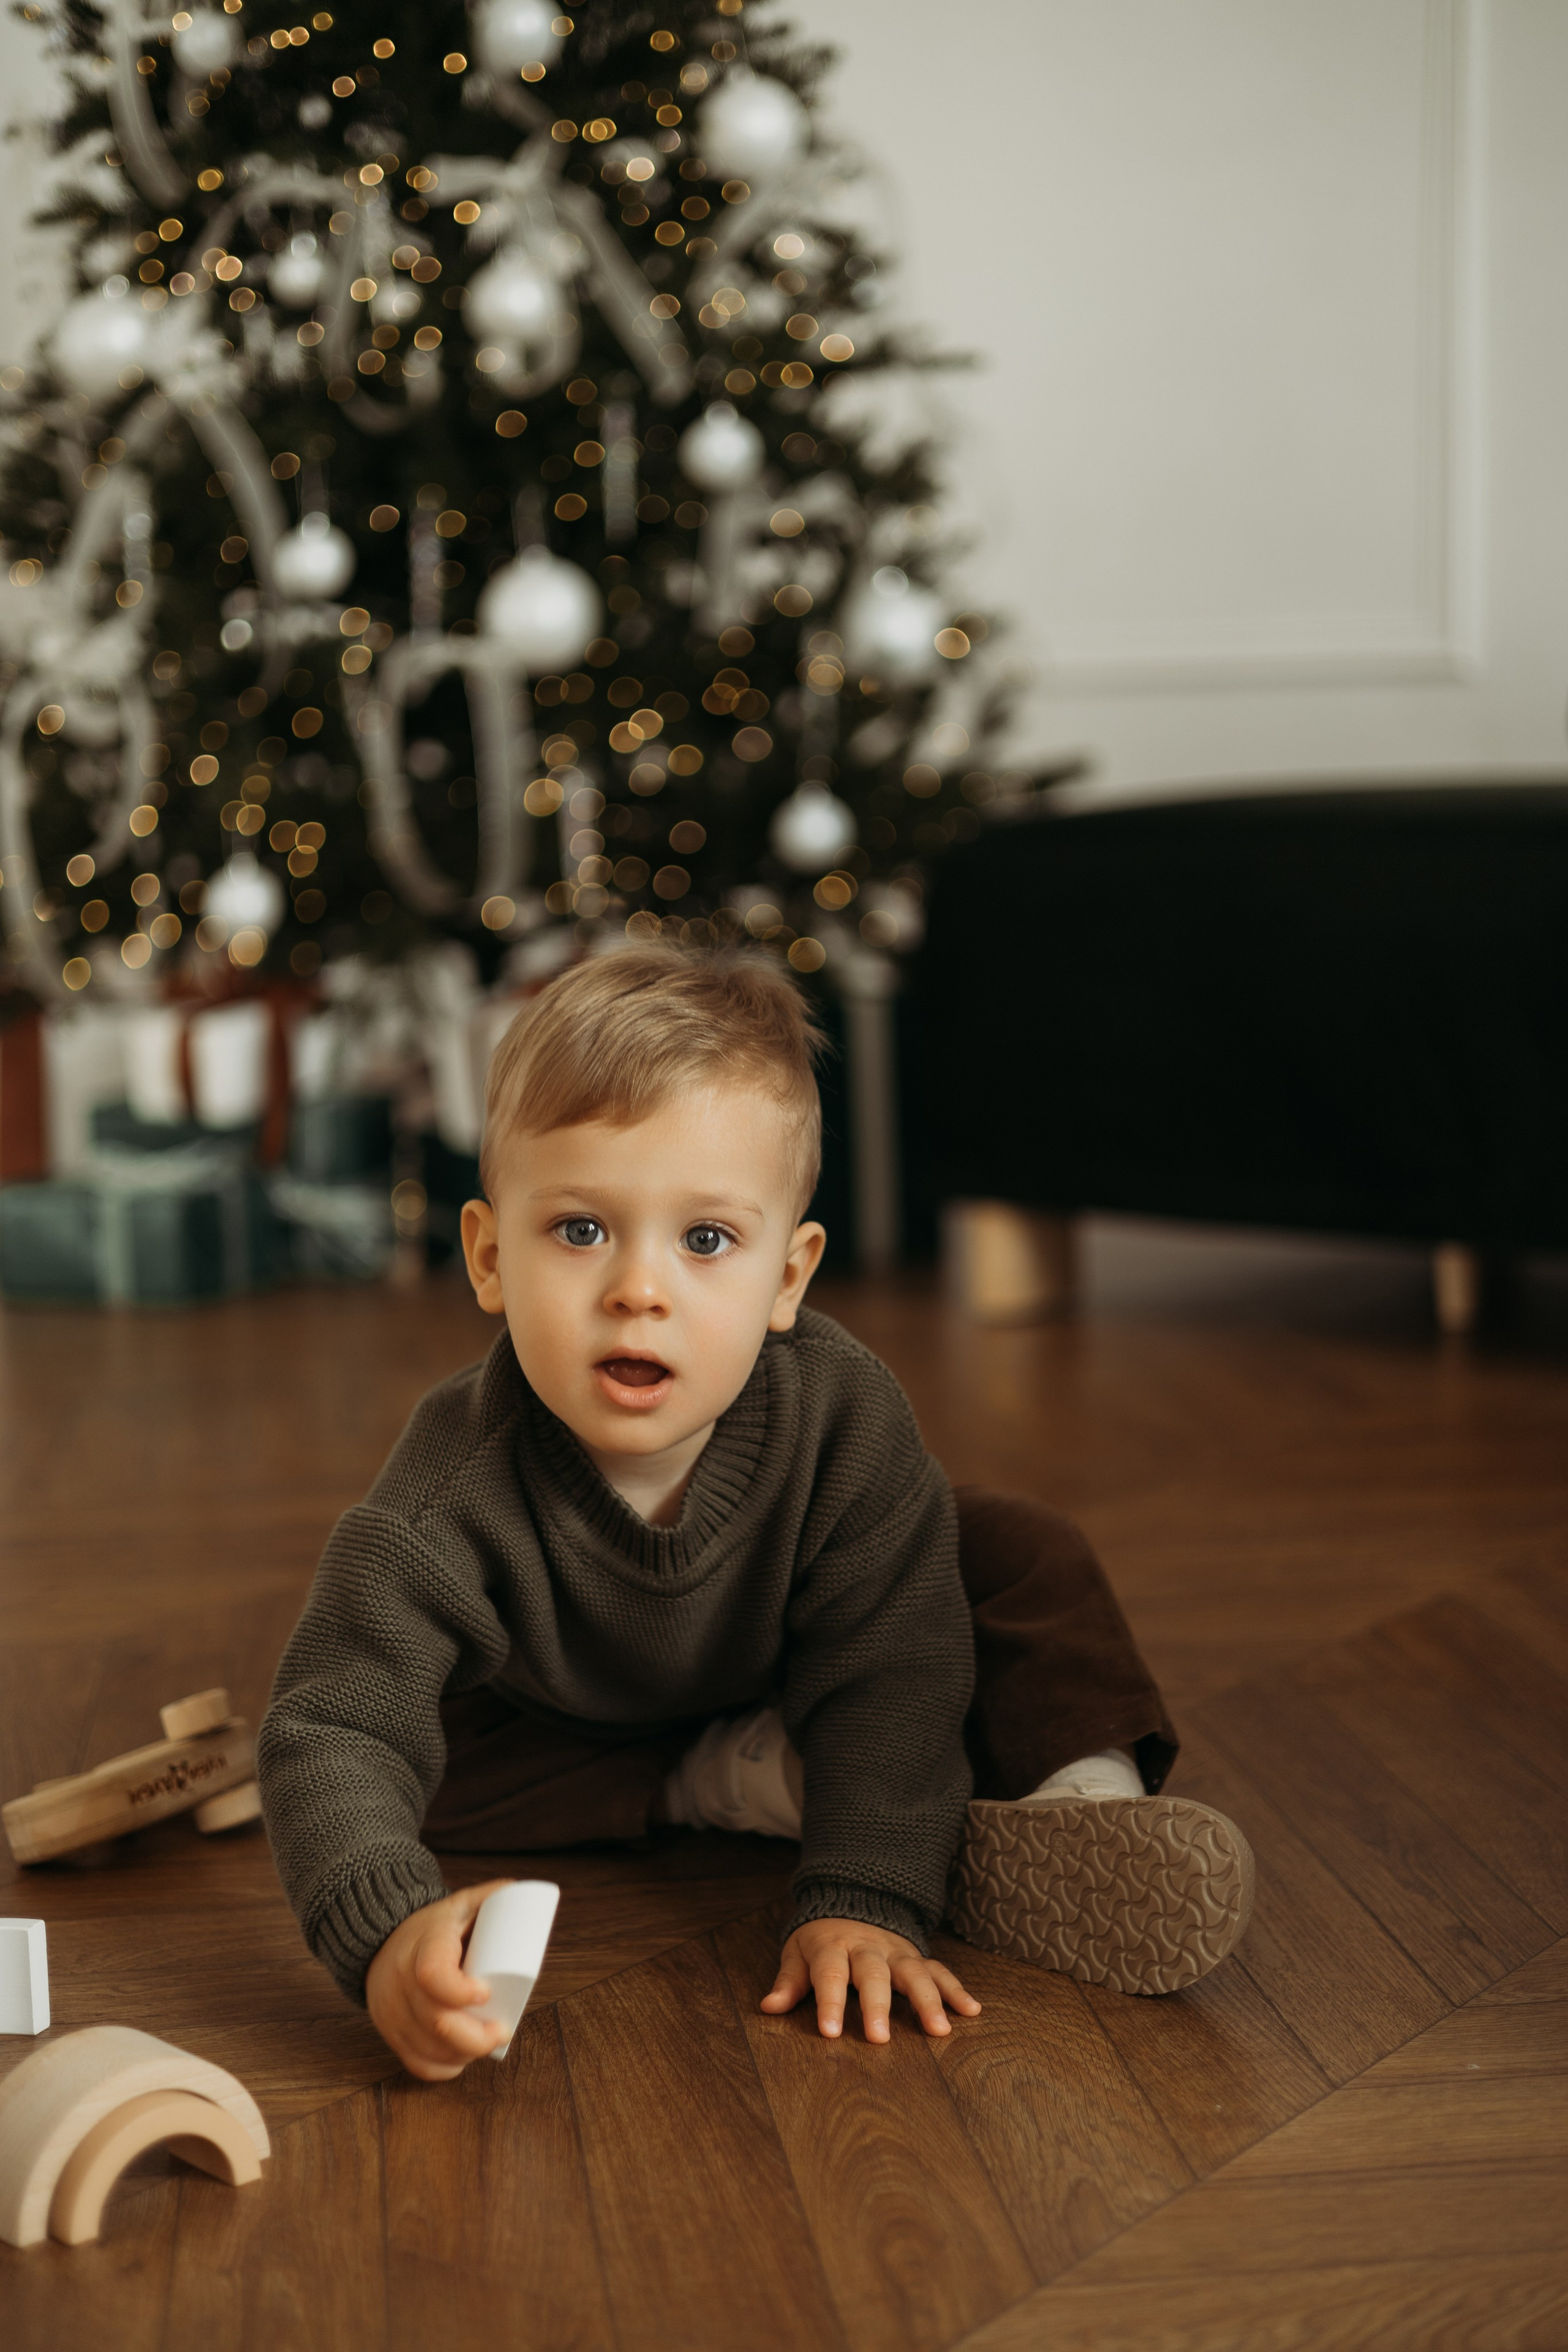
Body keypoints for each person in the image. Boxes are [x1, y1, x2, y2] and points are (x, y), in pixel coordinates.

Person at [258, 947, 1251, 2081]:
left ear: (788, 1276)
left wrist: (864, 1899)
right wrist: (388, 1937)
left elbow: (893, 1668)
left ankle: (1081, 1808)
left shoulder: (844, 1419)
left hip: (806, 1652)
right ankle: (737, 1781)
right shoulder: (451, 1488)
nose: (639, 1290)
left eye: (706, 1240)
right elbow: (331, 1725)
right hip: (575, 1721)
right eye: (580, 1230)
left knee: (1019, 1553)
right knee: (433, 1773)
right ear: (488, 1256)